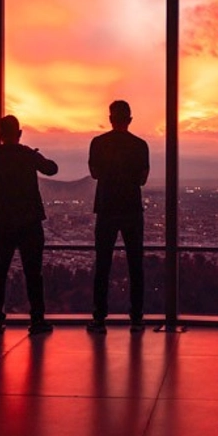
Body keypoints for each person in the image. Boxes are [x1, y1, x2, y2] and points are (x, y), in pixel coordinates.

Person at [0, 114, 59, 335]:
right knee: (33, 273)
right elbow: (52, 169)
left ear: (0, 135)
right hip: (29, 222)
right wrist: (36, 155)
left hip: (1, 222)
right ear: (19, 133)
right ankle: (37, 320)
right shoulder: (27, 155)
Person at [88, 100, 150, 334]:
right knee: (136, 264)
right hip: (132, 209)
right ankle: (136, 317)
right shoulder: (140, 145)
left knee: (102, 264)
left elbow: (94, 173)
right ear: (130, 120)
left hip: (106, 208)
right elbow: (142, 179)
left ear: (111, 119)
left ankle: (99, 317)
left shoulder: (98, 143)